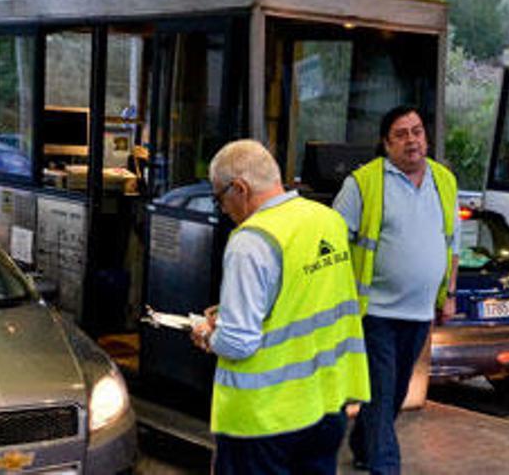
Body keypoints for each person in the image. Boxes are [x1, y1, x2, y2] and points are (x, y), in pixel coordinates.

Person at [190, 139, 369, 475]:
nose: (223, 209)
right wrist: (233, 307)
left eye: (219, 198)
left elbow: (239, 342)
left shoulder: (251, 240)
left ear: (240, 188)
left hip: (263, 421)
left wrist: (207, 333)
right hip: (324, 407)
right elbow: (304, 298)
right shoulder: (327, 220)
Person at [333, 105, 459, 475]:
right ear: (386, 144)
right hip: (375, 313)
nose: (412, 140)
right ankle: (385, 466)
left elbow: (453, 244)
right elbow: (333, 241)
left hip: (419, 312)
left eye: (417, 131)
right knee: (383, 392)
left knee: (395, 394)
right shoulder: (363, 184)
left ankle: (362, 446)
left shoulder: (444, 181)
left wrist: (449, 294)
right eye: (401, 134)